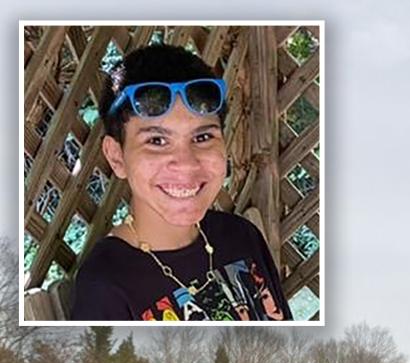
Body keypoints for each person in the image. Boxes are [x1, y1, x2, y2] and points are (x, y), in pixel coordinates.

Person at [70, 44, 293, 322]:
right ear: (117, 157)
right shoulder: (105, 286)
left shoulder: (240, 237)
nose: (186, 163)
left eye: (202, 138)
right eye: (156, 141)